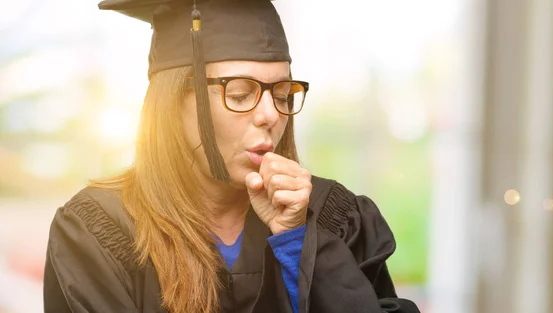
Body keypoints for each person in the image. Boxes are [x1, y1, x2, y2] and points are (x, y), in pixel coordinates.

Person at [42, 0, 421, 312]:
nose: (271, 115)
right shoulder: (99, 232)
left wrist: (298, 242)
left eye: (283, 94)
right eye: (240, 94)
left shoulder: (333, 216)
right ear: (173, 104)